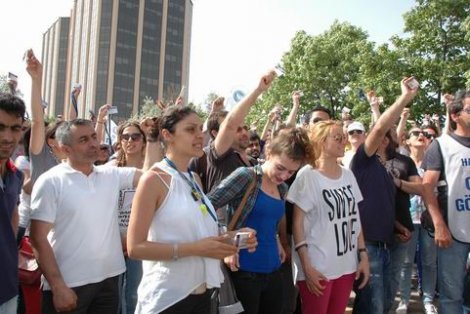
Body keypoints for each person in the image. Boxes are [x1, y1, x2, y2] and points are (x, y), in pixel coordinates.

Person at [127, 106, 256, 314]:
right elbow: (135, 248)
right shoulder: (153, 179)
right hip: (167, 299)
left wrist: (233, 238)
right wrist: (196, 249)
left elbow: (201, 234)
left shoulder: (194, 178)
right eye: (190, 130)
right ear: (167, 135)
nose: (199, 135)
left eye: (200, 128)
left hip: (202, 295)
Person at [29, 119, 159, 313]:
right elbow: (38, 238)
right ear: (66, 149)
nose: (93, 143)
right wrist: (58, 286)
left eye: (94, 137)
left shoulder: (111, 175)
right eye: (83, 140)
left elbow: (152, 178)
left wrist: (153, 137)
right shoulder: (51, 181)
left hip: (108, 281)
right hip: (69, 285)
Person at [208, 127, 311, 314]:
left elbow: (269, 221)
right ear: (269, 152)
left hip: (274, 270)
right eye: (280, 168)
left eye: (290, 172)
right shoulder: (246, 177)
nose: (283, 176)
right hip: (244, 273)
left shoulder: (282, 189)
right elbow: (203, 208)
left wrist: (278, 240)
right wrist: (226, 240)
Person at [351, 77, 418, 314]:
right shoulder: (362, 161)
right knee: (374, 307)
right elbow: (379, 126)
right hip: (367, 246)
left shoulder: (384, 170)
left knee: (384, 304)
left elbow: (379, 206)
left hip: (387, 245)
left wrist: (397, 225)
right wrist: (404, 98)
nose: (384, 132)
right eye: (382, 131)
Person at [287, 121, 369, 314]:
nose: (344, 141)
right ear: (322, 142)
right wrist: (306, 267)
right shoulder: (307, 176)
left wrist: (363, 254)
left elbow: (354, 217)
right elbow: (297, 224)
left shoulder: (348, 175)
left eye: (344, 137)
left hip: (346, 266)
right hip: (318, 268)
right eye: (338, 138)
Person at [422, 90, 470, 314]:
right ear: (455, 115)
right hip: (454, 234)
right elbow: (427, 187)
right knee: (452, 296)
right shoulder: (441, 145)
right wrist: (439, 224)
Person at [107, 120, 162, 314]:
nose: (130, 140)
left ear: (144, 141)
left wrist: (151, 134)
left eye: (135, 136)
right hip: (113, 242)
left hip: (141, 241)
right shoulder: (111, 167)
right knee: (112, 295)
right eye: (125, 137)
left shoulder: (152, 167)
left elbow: (150, 176)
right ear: (119, 141)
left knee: (134, 293)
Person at [396, 127, 438, 314]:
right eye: (415, 133)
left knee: (429, 262)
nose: (421, 135)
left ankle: (428, 300)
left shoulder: (434, 162)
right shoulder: (403, 162)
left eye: (424, 134)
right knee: (405, 263)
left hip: (429, 220)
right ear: (407, 141)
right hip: (408, 219)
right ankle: (403, 300)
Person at [0, 92, 26, 313]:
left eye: (14, 128)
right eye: (0, 127)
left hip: (7, 286)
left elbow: (12, 215)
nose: (7, 137)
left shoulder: (16, 175)